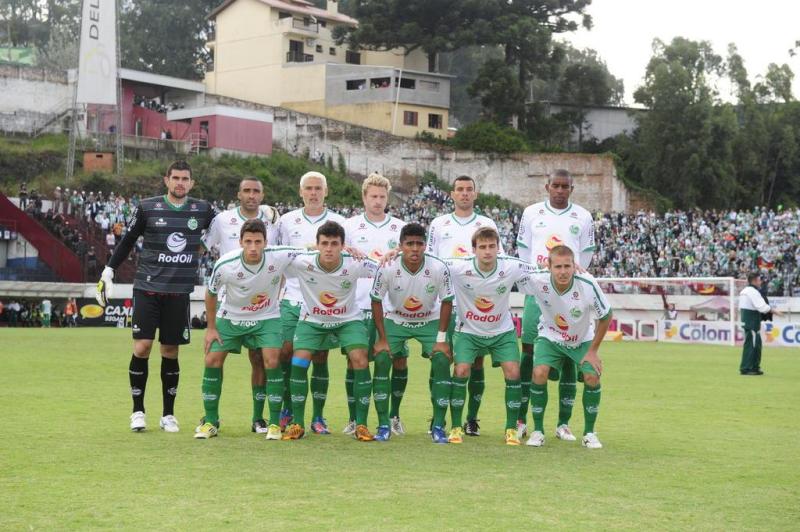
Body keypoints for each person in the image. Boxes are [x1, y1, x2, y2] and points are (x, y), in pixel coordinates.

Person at [96, 160, 217, 433]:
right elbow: (127, 240)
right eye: (175, 178)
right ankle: (137, 411)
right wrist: (109, 270)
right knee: (142, 347)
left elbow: (227, 228)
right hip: (147, 289)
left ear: (192, 183)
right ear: (166, 180)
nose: (180, 183)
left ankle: (168, 415)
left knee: (170, 351)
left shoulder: (203, 210)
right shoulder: (148, 207)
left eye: (185, 178)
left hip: (178, 292)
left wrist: (259, 214)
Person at [194, 219, 301, 440]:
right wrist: (211, 328)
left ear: (265, 242)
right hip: (231, 317)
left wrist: (346, 250)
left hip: (266, 317)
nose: (253, 247)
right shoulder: (226, 264)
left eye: (258, 241)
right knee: (212, 360)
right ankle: (211, 421)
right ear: (241, 242)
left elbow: (309, 251)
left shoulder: (278, 255)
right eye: (249, 241)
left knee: (272, 360)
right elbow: (211, 293)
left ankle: (272, 423)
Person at [515, 168, 595, 442]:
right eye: (556, 186)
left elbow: (587, 253)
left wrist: (572, 278)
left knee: (570, 350)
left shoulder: (583, 216)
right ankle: (521, 419)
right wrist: (534, 278)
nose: (560, 190)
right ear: (546, 186)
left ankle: (563, 423)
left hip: (568, 293)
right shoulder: (531, 213)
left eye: (565, 186)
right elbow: (523, 249)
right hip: (538, 292)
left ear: (572, 189)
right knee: (528, 350)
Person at [282, 221, 378, 441]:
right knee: (299, 361)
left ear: (343, 246)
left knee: (360, 360)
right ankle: (297, 423)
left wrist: (390, 255)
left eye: (334, 244)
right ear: (317, 245)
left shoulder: (354, 263)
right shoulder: (302, 262)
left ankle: (361, 425)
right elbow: (275, 259)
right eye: (324, 243)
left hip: (348, 320)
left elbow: (384, 267)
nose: (329, 248)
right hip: (312, 320)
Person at [426, 175, 504, 437]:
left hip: (477, 305)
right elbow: (430, 261)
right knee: (440, 360)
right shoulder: (439, 224)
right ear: (452, 194)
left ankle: (471, 418)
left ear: (475, 194)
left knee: (476, 363)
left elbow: (498, 261)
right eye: (460, 190)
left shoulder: (486, 223)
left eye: (469, 189)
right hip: (447, 303)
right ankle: (438, 418)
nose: (464, 194)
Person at [444, 227, 536, 446]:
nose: (487, 251)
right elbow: (430, 262)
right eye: (482, 247)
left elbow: (543, 269)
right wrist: (395, 254)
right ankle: (456, 426)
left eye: (491, 247)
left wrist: (574, 268)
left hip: (501, 332)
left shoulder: (511, 266)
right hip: (468, 331)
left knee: (514, 372)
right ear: (474, 249)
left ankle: (511, 429)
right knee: (461, 370)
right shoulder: (459, 267)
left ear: (498, 248)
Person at [202, 177, 280, 433]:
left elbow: (293, 254)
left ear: (262, 194)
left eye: (256, 190)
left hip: (263, 308)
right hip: (231, 304)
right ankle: (210, 419)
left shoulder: (274, 219)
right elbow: (203, 246)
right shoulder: (223, 220)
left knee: (261, 359)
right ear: (238, 194)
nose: (251, 195)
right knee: (213, 358)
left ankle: (260, 419)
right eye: (246, 190)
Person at [274, 172, 346, 434]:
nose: (313, 193)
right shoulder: (286, 221)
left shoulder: (339, 221)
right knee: (285, 351)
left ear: (325, 192)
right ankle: (287, 408)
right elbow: (278, 261)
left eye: (318, 188)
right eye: (309, 188)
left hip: (323, 303)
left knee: (320, 356)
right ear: (300, 191)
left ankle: (318, 416)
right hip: (292, 298)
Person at [370, 223, 454, 443]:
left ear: (425, 245)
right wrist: (382, 338)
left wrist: (442, 339)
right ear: (400, 246)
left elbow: (447, 301)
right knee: (381, 357)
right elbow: (376, 300)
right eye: (409, 244)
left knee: (442, 359)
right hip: (396, 319)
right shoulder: (388, 266)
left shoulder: (438, 267)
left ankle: (437, 425)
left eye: (419, 243)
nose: (414, 248)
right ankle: (383, 425)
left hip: (429, 319)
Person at [524, 245, 611, 449]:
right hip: (550, 337)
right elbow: (514, 271)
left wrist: (593, 352)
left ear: (574, 266)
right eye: (558, 267)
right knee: (538, 372)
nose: (563, 272)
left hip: (581, 339)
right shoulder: (538, 280)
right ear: (549, 266)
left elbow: (606, 316)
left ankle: (589, 433)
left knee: (592, 376)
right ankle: (537, 431)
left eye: (567, 266)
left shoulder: (587, 283)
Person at [343, 173, 406, 437]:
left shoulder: (400, 227)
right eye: (373, 196)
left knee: (393, 361)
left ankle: (393, 416)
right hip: (357, 304)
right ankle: (354, 417)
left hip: (392, 306)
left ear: (387, 198)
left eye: (382, 197)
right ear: (364, 197)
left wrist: (400, 251)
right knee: (355, 362)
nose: (378, 201)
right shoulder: (349, 226)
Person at [739, 273, 780, 375]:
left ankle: (753, 367)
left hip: (748, 322)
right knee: (753, 345)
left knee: (754, 344)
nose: (760, 282)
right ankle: (748, 368)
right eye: (759, 280)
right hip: (752, 323)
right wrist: (774, 311)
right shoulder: (753, 292)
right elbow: (762, 307)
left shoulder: (744, 291)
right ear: (754, 281)